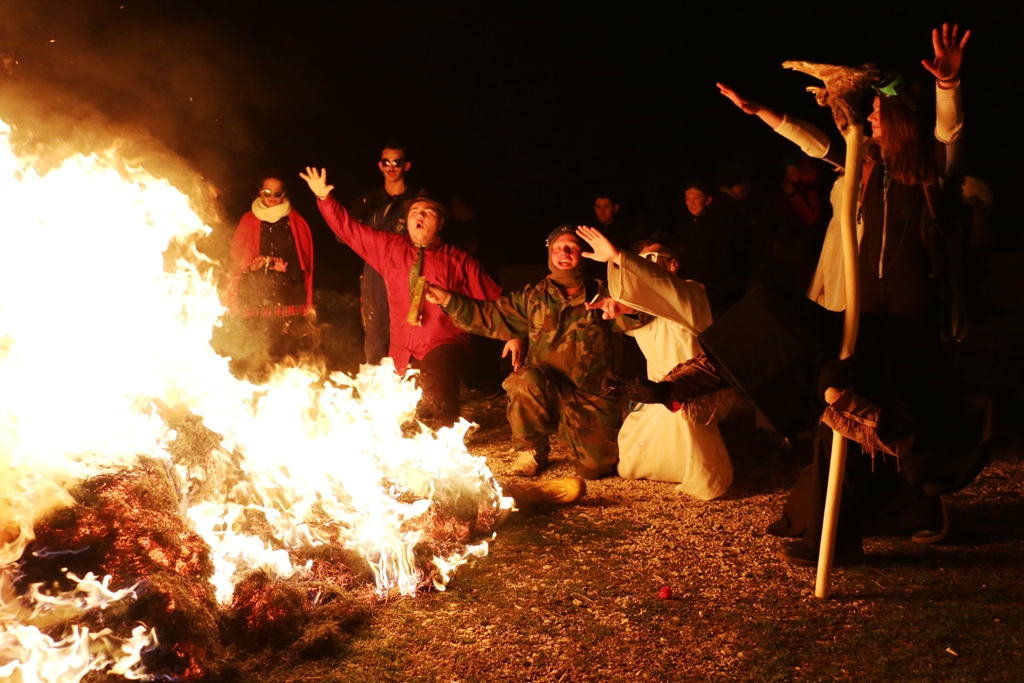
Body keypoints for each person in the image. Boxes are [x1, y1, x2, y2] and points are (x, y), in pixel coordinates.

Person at [717, 22, 970, 328]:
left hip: (913, 292)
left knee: (910, 365)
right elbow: (816, 145)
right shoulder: (867, 162)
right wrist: (759, 110)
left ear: (898, 117)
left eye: (878, 109)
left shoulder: (929, 167)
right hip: (865, 293)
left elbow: (949, 132)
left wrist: (948, 85)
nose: (869, 116)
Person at [423, 225, 642, 479]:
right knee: (523, 380)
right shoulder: (533, 296)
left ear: (583, 254)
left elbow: (635, 320)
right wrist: (448, 299)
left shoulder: (603, 292)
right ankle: (531, 449)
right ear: (550, 253)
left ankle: (570, 432)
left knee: (595, 470)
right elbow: (490, 315)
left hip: (589, 394)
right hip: (543, 388)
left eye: (571, 248)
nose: (564, 252)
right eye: (558, 247)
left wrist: (627, 309)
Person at [300, 167, 501, 427]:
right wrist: (325, 200)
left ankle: (446, 433)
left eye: (428, 212)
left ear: (440, 223)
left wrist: (514, 337)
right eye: (414, 212)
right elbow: (350, 230)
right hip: (402, 350)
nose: (419, 215)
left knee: (439, 387)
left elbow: (495, 301)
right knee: (384, 411)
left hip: (444, 344)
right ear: (406, 221)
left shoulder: (460, 260)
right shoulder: (390, 248)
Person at [577, 227, 733, 500]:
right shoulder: (646, 310)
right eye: (642, 259)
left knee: (700, 462)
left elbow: (661, 288)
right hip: (657, 391)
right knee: (630, 462)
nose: (646, 266)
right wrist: (622, 307)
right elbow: (643, 309)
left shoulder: (691, 294)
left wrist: (619, 257)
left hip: (696, 390)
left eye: (654, 258)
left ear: (673, 264)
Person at [222, 174, 315, 380]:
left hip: (288, 298)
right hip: (258, 300)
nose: (272, 197)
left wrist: (287, 272)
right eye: (267, 192)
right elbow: (237, 262)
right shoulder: (248, 220)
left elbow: (305, 264)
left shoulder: (295, 221)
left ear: (284, 194)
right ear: (260, 192)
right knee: (258, 352)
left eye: (277, 193)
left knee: (289, 355)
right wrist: (252, 268)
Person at [349, 144, 419, 365]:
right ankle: (375, 393)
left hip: (408, 275)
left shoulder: (418, 201)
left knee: (411, 331)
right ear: (380, 165)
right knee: (376, 333)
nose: (391, 167)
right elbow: (343, 234)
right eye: (386, 162)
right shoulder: (367, 202)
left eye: (396, 162)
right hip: (374, 274)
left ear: (406, 166)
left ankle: (415, 390)